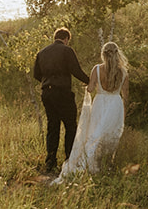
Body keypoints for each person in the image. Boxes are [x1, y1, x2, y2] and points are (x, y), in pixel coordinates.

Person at [52, 41, 128, 184]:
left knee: (95, 135)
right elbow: (126, 95)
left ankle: (90, 164)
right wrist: (123, 113)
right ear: (118, 53)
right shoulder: (123, 72)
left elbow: (91, 89)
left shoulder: (97, 69)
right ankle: (105, 165)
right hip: (115, 106)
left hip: (100, 103)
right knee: (111, 136)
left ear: (103, 54)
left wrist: (88, 87)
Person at [32, 27, 88, 175]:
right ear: (66, 39)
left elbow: (36, 74)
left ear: (55, 37)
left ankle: (50, 161)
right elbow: (76, 70)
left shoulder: (42, 52)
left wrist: (47, 81)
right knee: (70, 126)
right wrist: (89, 81)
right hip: (62, 93)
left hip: (47, 94)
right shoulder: (66, 51)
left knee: (53, 125)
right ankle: (69, 159)